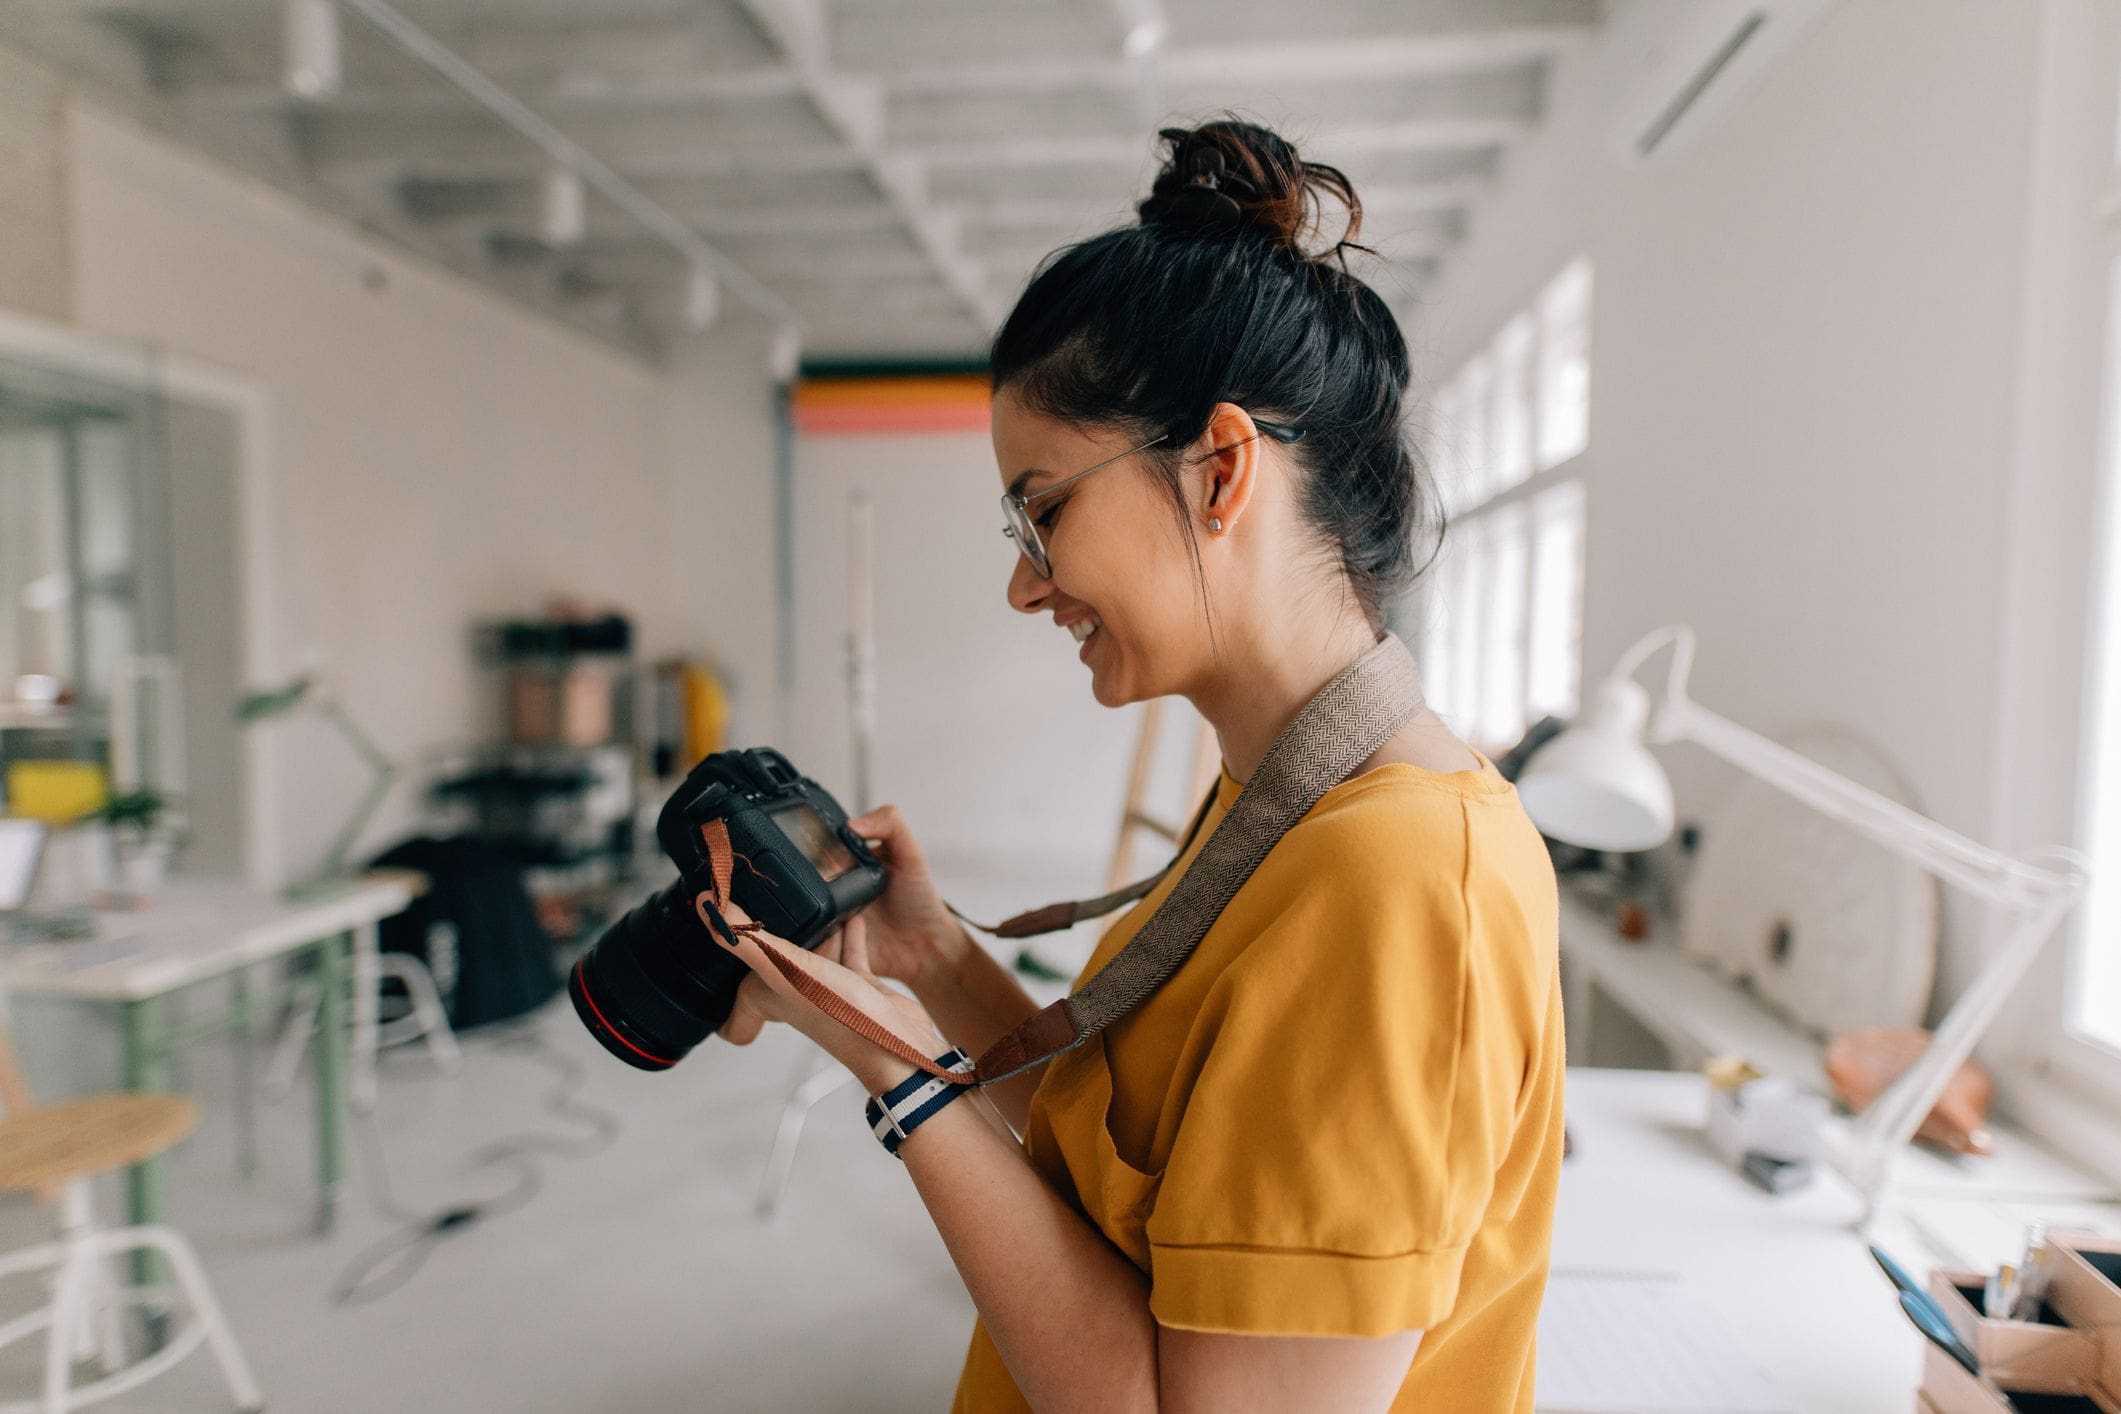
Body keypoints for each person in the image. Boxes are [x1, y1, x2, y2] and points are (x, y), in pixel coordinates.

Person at [716, 118, 1565, 1412]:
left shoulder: (1394, 883)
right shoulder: (1292, 799)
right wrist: (934, 959)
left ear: (1220, 468)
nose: (1023, 583)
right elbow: (1130, 1166)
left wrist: (896, 1078)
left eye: (1044, 510)